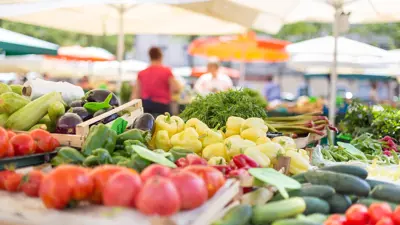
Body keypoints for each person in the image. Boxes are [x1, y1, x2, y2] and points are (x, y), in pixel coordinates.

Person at [133, 47, 181, 116]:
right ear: (160, 56)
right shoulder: (166, 71)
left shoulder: (141, 73)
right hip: (162, 107)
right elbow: (176, 88)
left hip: (146, 106)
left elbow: (135, 94)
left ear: (150, 57)